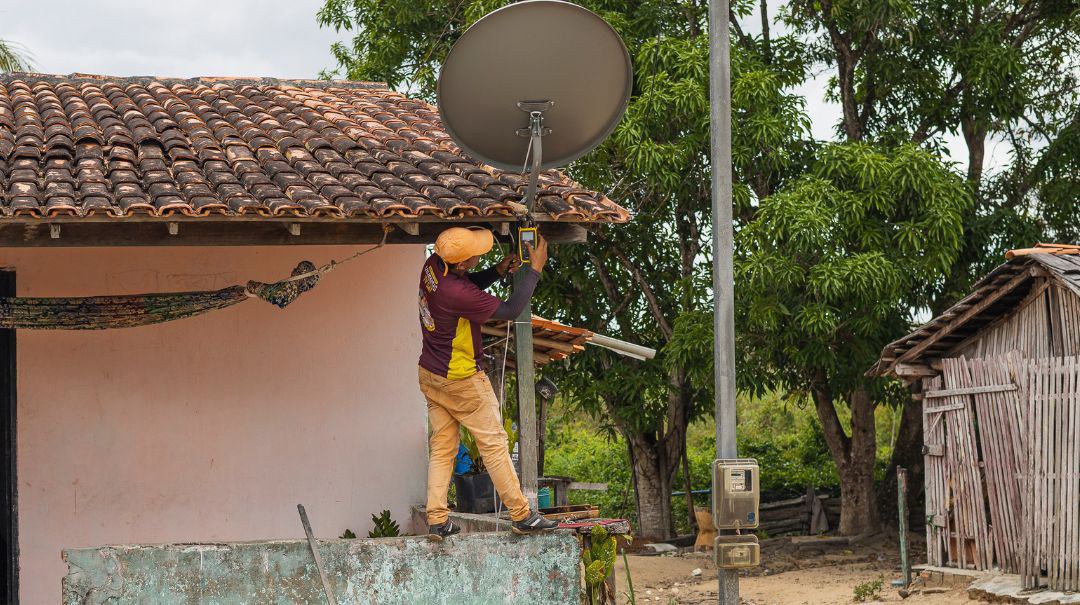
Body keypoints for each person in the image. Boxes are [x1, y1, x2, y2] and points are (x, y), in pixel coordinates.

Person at [418, 226, 559, 541]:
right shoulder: (455, 293)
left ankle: (437, 518)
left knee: (443, 447)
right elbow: (510, 310)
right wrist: (533, 270)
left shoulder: (433, 266)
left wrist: (495, 271)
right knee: (494, 442)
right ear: (463, 262)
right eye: (475, 256)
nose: (479, 256)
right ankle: (522, 515)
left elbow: (466, 285)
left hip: (430, 373)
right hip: (461, 378)